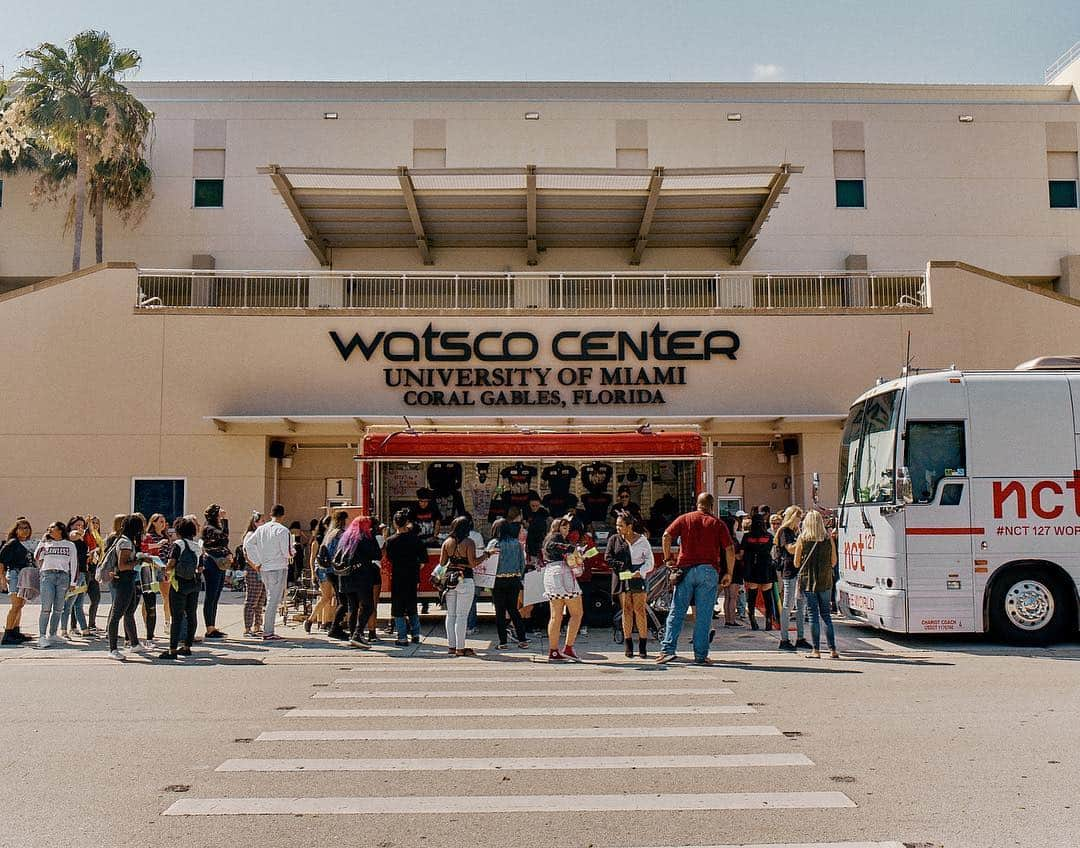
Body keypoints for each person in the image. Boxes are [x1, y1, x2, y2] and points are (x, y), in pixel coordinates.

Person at [657, 493, 735, 666]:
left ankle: (667, 650)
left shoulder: (685, 519)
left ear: (697, 504)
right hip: (708, 570)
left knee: (677, 611)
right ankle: (700, 655)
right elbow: (729, 549)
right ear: (712, 506)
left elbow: (666, 536)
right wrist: (729, 572)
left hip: (684, 569)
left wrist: (668, 558)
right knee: (704, 615)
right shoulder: (717, 523)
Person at [439, 515, 488, 657]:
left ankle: (451, 646)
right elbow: (473, 563)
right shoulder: (469, 542)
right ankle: (460, 648)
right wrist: (486, 555)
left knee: (451, 614)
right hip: (465, 578)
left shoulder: (447, 542)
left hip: (450, 580)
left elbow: (442, 563)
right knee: (462, 616)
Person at [608, 511, 654, 658]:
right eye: (616, 525)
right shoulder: (614, 539)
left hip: (638, 574)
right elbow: (608, 557)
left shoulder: (642, 540)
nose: (618, 528)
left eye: (621, 525)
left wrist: (641, 571)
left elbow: (650, 561)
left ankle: (642, 644)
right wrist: (621, 567)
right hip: (622, 575)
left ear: (629, 526)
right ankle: (628, 644)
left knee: (639, 609)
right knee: (626, 609)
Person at [794, 509, 840, 659]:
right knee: (826, 614)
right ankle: (833, 649)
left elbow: (796, 563)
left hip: (808, 582)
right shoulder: (828, 539)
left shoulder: (803, 539)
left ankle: (816, 650)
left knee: (813, 615)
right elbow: (834, 562)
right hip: (826, 580)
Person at [242, 504, 292, 641]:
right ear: (283, 515)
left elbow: (248, 545)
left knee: (268, 598)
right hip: (278, 567)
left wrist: (257, 562)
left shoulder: (261, 529)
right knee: (272, 600)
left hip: (264, 568)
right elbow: (287, 552)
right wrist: (292, 552)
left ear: (271, 515)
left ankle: (265, 629)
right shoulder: (283, 530)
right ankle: (268, 631)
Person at [333, 515, 382, 649]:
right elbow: (377, 555)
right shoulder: (365, 538)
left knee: (352, 607)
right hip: (361, 577)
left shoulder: (345, 538)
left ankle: (353, 634)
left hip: (345, 577)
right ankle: (358, 634)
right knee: (368, 606)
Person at [541, 515, 585, 662]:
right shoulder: (556, 538)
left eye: (567, 527)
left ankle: (553, 651)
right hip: (563, 574)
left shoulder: (548, 538)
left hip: (550, 574)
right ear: (557, 527)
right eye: (564, 526)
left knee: (556, 615)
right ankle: (568, 647)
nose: (566, 530)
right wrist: (572, 548)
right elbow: (556, 547)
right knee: (577, 613)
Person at [158, 516, 203, 660]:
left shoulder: (179, 544)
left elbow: (171, 563)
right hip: (194, 583)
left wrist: (165, 570)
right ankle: (187, 647)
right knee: (191, 615)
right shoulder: (197, 546)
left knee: (176, 617)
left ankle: (172, 650)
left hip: (179, 583)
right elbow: (200, 567)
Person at [107, 514, 149, 660]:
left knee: (129, 611)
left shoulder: (126, 540)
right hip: (123, 581)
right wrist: (138, 561)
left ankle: (134, 643)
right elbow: (122, 565)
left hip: (128, 580)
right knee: (116, 615)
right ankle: (112, 649)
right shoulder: (125, 543)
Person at [34, 521, 78, 649]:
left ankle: (52, 634)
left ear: (60, 530)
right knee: (46, 607)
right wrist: (42, 542)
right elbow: (37, 556)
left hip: (63, 576)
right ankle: (42, 636)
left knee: (59, 608)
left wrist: (73, 582)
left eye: (52, 527)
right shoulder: (46, 544)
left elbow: (74, 563)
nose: (49, 529)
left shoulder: (69, 545)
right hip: (47, 576)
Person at [385, 509, 426, 646]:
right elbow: (424, 558)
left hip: (398, 576)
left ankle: (402, 637)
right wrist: (416, 567)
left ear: (394, 524)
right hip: (412, 576)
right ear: (407, 522)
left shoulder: (390, 541)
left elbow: (389, 558)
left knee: (398, 608)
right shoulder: (415, 539)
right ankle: (415, 634)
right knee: (412, 606)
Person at [489, 518, 529, 650]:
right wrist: (518, 576)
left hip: (498, 581)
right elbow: (522, 564)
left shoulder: (494, 543)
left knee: (500, 612)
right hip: (514, 580)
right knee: (513, 610)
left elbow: (488, 564)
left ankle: (503, 642)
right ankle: (522, 639)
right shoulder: (516, 543)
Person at [776, 505, 810, 652]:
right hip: (789, 571)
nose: (799, 521)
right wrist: (802, 540)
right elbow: (790, 548)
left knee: (801, 606)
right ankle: (784, 639)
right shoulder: (785, 531)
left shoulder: (796, 531)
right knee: (787, 606)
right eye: (797, 518)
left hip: (800, 571)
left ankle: (800, 637)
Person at [741, 513, 778, 631]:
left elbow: (742, 553)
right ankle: (768, 620)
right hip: (766, 568)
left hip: (752, 568)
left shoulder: (747, 537)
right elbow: (773, 552)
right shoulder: (769, 536)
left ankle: (752, 619)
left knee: (752, 596)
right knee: (768, 597)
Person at [1, 518, 36, 644]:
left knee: (20, 605)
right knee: (15, 605)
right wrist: (2, 579)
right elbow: (1, 562)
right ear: (16, 530)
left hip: (26, 575)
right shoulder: (12, 543)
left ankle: (15, 631)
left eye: (27, 528)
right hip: (15, 574)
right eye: (21, 528)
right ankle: (8, 634)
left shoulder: (29, 543)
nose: (25, 530)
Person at [138, 513, 169, 647]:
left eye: (164, 521)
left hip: (163, 568)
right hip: (151, 568)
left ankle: (167, 622)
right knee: (149, 598)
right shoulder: (148, 536)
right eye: (160, 521)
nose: (163, 523)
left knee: (167, 596)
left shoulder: (166, 536)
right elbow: (144, 549)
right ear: (154, 522)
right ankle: (148, 627)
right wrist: (157, 544)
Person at [200, 504, 231, 639]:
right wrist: (224, 520)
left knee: (216, 595)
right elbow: (224, 537)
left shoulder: (215, 527)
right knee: (211, 595)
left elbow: (223, 543)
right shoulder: (209, 528)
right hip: (212, 563)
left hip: (220, 563)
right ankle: (209, 628)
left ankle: (212, 626)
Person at [61, 516, 90, 638]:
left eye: (82, 525)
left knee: (79, 604)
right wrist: (81, 532)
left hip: (83, 572)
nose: (80, 527)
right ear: (71, 525)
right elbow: (73, 535)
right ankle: (63, 630)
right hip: (74, 573)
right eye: (77, 524)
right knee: (68, 604)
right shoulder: (70, 536)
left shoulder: (83, 537)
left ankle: (84, 629)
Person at [241, 513, 267, 637]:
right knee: (252, 599)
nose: (264, 523)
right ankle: (247, 627)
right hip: (253, 569)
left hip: (261, 568)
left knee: (261, 599)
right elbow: (248, 553)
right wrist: (255, 566)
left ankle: (257, 625)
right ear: (255, 522)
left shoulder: (260, 536)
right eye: (262, 521)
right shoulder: (250, 536)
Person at [84, 516, 105, 632]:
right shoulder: (86, 535)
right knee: (77, 600)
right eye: (93, 523)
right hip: (86, 570)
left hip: (95, 570)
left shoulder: (98, 537)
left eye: (97, 523)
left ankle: (91, 624)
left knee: (96, 598)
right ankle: (73, 626)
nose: (95, 525)